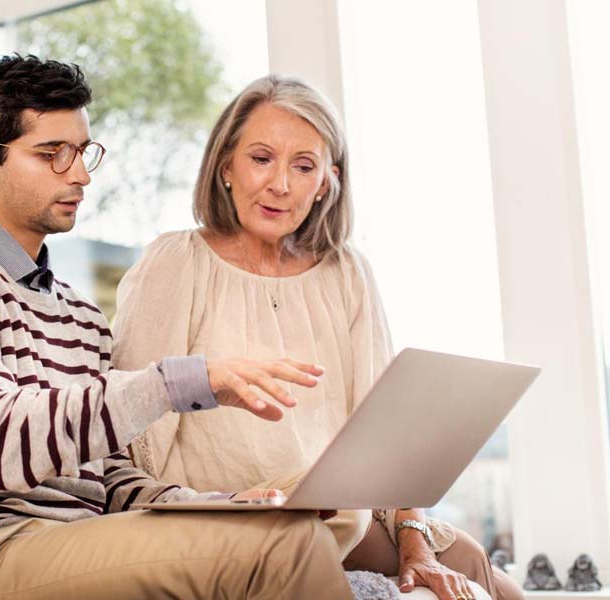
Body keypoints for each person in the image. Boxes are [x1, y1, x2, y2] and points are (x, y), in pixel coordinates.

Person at [0, 56, 353, 600]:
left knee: (306, 513)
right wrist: (179, 382)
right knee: (288, 548)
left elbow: (109, 483)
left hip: (75, 542)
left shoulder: (79, 315)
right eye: (52, 155)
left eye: (83, 152)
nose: (80, 175)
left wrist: (216, 510)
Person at [112, 74, 523, 600]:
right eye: (261, 158)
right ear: (225, 168)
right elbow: (130, 427)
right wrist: (206, 505)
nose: (280, 184)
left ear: (326, 182)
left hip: (337, 518)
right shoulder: (175, 261)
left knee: (492, 582)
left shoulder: (346, 271)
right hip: (223, 518)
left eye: (302, 166)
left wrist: (414, 542)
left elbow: (389, 433)